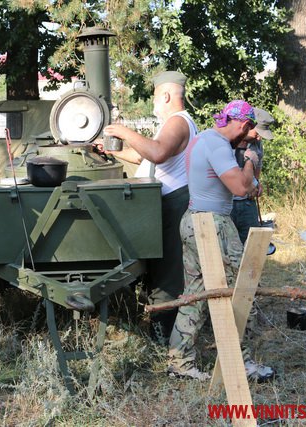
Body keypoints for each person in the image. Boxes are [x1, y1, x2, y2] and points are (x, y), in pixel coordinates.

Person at [167, 100, 274, 382]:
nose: (249, 136)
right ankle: (244, 363)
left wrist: (248, 178)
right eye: (249, 130)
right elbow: (241, 187)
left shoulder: (203, 138)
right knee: (243, 288)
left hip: (194, 220)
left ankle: (179, 361)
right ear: (243, 124)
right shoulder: (217, 145)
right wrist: (250, 161)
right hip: (214, 225)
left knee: (195, 294)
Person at [102, 71, 198, 342]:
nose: (154, 102)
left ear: (166, 95)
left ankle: (165, 338)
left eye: (156, 97)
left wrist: (122, 130)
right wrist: (112, 150)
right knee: (161, 269)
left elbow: (157, 152)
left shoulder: (178, 122)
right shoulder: (171, 124)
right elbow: (147, 157)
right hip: (163, 203)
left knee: (168, 275)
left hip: (174, 204)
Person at [230, 108, 274, 244]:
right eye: (257, 133)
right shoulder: (226, 142)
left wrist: (257, 184)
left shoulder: (256, 143)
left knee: (251, 246)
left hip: (248, 204)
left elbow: (258, 164)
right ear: (247, 126)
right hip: (228, 205)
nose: (259, 137)